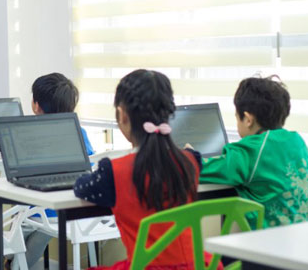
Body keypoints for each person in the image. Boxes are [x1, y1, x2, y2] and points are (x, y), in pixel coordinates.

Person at [73, 69, 209, 270]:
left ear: (122, 115)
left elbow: (81, 187)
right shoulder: (191, 161)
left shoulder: (113, 172)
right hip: (198, 266)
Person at [199, 76, 308, 229]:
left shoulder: (251, 151)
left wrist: (189, 154)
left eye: (237, 118)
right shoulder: (297, 141)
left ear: (248, 119)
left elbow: (197, 169)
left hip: (276, 240)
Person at [16, 72, 95, 269]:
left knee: (21, 223)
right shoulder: (80, 132)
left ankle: (11, 264)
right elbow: (90, 163)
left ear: (36, 105)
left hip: (38, 212)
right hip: (73, 208)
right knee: (41, 228)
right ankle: (13, 264)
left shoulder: (27, 133)